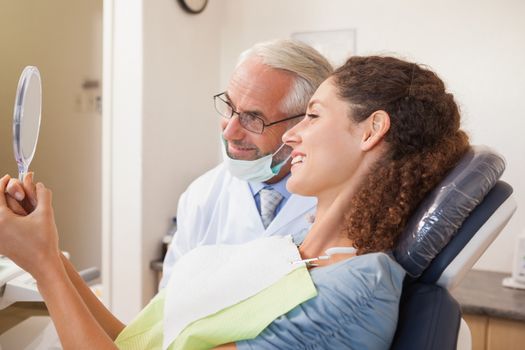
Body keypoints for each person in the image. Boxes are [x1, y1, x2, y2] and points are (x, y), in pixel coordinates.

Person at [0, 55, 469, 349]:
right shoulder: (305, 251)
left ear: (371, 131)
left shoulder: (354, 291)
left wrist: (41, 263)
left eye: (312, 115)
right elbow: (140, 341)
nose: (295, 135)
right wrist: (50, 255)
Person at [159, 39, 333, 288]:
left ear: (303, 124)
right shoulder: (201, 196)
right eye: (229, 107)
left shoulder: (341, 202)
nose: (229, 132)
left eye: (253, 118)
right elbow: (167, 305)